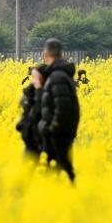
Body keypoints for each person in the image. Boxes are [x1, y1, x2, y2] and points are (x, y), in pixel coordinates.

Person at [35, 38, 80, 182]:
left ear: (45, 53)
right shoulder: (60, 75)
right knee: (58, 172)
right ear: (62, 53)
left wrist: (51, 129)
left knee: (62, 171)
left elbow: (62, 109)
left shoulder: (57, 77)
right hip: (60, 134)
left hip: (57, 135)